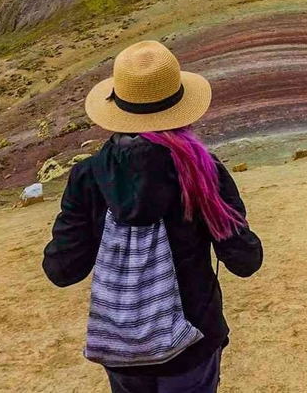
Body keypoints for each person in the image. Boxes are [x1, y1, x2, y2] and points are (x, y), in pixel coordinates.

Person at [43, 40, 263, 393]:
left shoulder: (87, 177)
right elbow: (245, 260)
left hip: (122, 347)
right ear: (181, 107)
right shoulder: (203, 171)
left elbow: (61, 270)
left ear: (117, 108)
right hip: (193, 340)